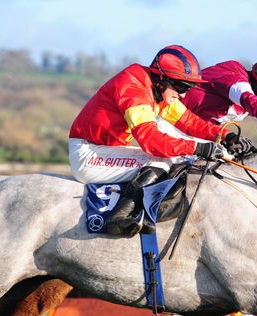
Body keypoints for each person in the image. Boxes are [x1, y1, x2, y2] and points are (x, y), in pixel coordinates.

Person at [69, 45, 244, 236]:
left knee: (178, 161)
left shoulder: (156, 90)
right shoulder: (133, 88)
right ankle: (119, 217)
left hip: (106, 150)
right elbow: (152, 142)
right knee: (161, 160)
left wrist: (225, 135)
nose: (184, 94)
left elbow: (189, 122)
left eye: (189, 88)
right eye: (181, 87)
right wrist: (198, 147)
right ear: (162, 78)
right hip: (89, 155)